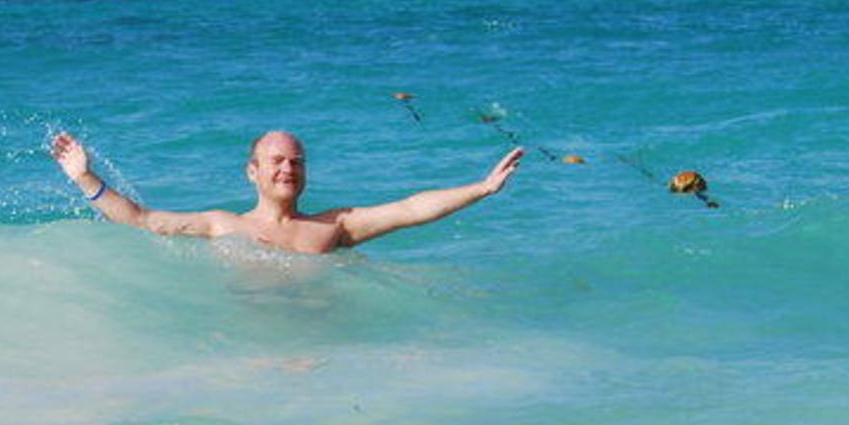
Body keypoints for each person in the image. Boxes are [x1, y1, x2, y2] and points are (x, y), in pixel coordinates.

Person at [48, 129, 522, 254]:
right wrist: (86, 179)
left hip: (321, 343)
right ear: (252, 172)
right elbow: (141, 219)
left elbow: (410, 209)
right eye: (276, 161)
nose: (288, 168)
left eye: (296, 161)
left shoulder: (332, 227)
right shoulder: (221, 225)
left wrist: (482, 188)